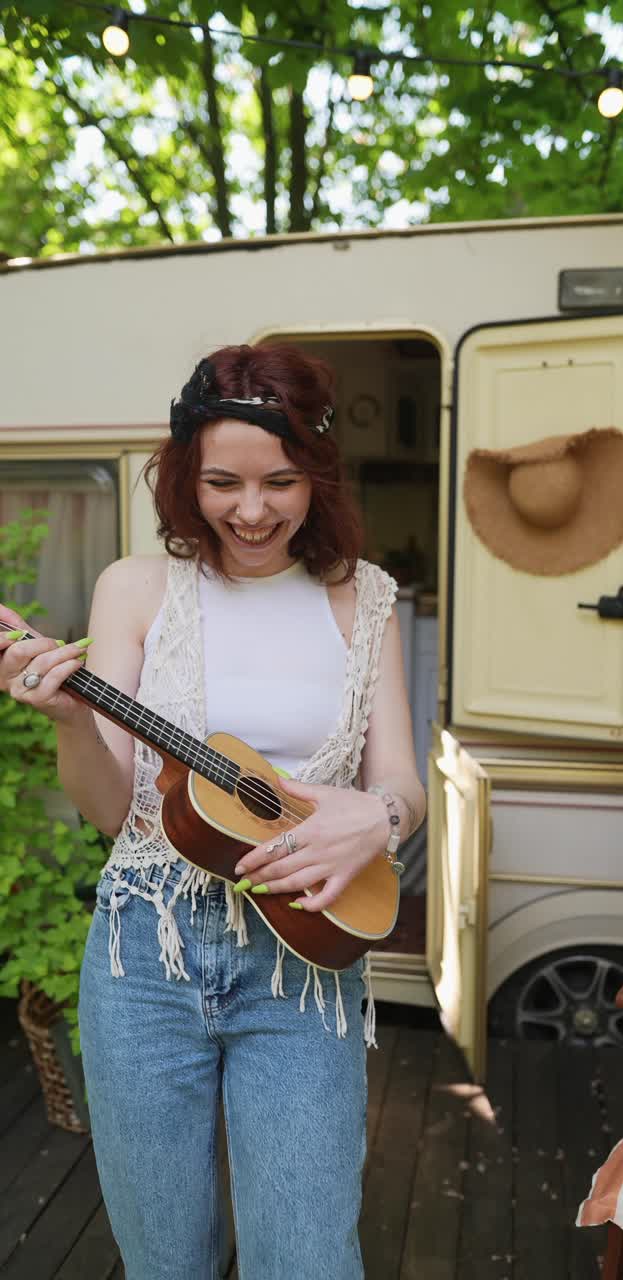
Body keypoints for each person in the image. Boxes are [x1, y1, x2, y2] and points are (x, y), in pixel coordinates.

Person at [0, 343, 426, 1280]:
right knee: (165, 1261)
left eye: (281, 482)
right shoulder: (135, 587)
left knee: (307, 1258)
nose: (252, 510)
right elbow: (112, 808)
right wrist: (71, 721)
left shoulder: (366, 599)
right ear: (186, 479)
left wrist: (380, 818)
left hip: (304, 960)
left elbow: (401, 780)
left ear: (318, 474)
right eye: (223, 483)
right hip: (145, 954)